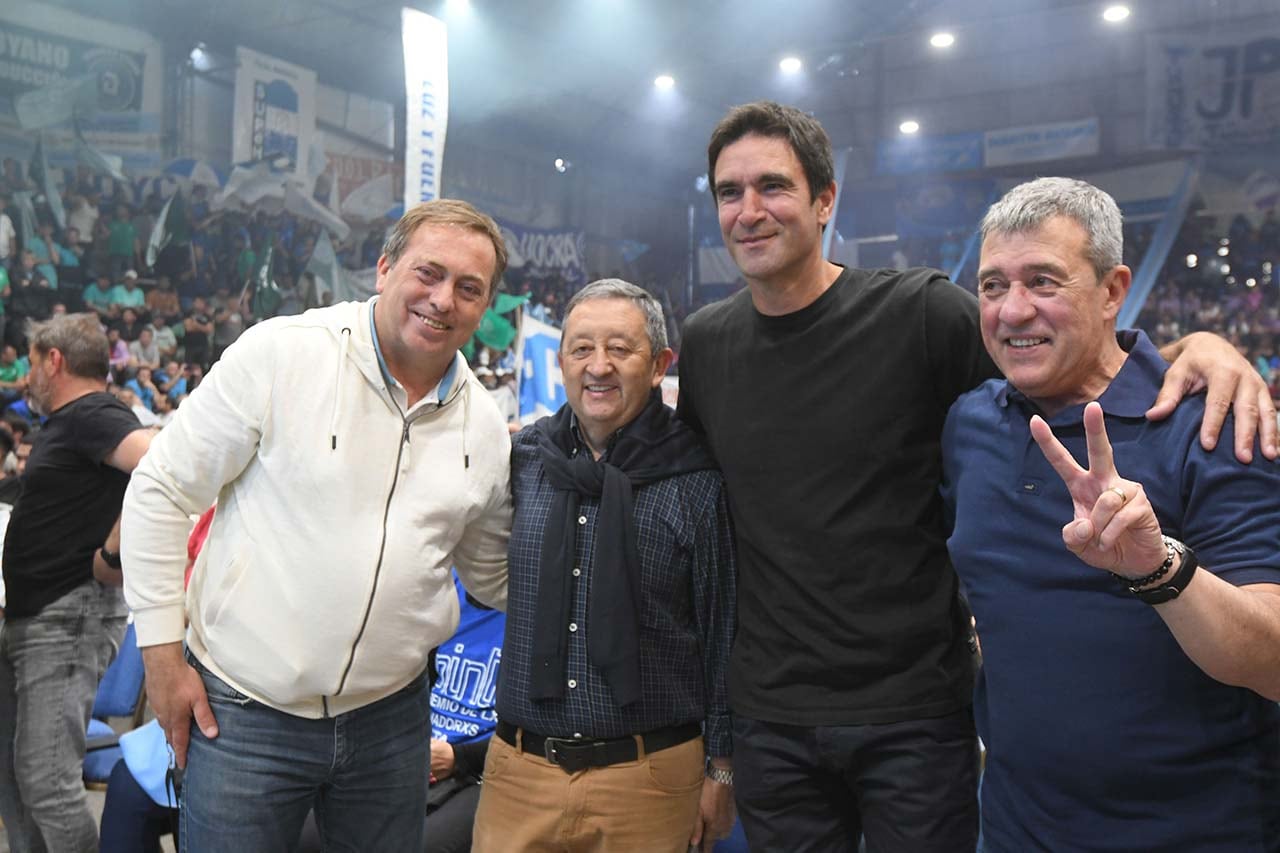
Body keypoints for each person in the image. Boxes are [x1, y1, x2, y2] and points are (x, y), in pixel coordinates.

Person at [675, 100, 1276, 852]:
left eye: (773, 185)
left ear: (826, 200)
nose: (750, 210)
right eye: (730, 192)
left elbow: (1073, 351)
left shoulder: (921, 316)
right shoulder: (968, 420)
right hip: (823, 738)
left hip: (937, 726)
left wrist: (1205, 348)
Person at [120, 199, 514, 852]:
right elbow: (160, 490)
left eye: (468, 288)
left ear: (484, 306)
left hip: (393, 721)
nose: (444, 299)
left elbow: (492, 573)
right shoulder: (282, 354)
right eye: (429, 273)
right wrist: (161, 656)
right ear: (384, 268)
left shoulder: (484, 428)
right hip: (245, 713)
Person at [941, 177, 1280, 851]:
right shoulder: (968, 421)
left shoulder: (1213, 425)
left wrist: (1160, 569)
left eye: (1043, 281)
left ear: (1113, 290)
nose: (1012, 311)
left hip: (1200, 832)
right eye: (991, 285)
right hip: (1014, 828)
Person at [473, 280, 737, 853]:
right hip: (519, 775)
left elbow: (723, 633)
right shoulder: (523, 460)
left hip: (649, 781)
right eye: (581, 349)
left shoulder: (696, 478)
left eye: (620, 349)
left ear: (659, 363)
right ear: (560, 359)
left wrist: (722, 769)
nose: (599, 367)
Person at [0, 313, 152, 853]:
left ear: (54, 360)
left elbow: (162, 464)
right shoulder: (73, 422)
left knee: (46, 780)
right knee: (20, 778)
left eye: (32, 363)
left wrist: (115, 549)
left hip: (67, 615)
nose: (26, 377)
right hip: (41, 614)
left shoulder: (92, 413)